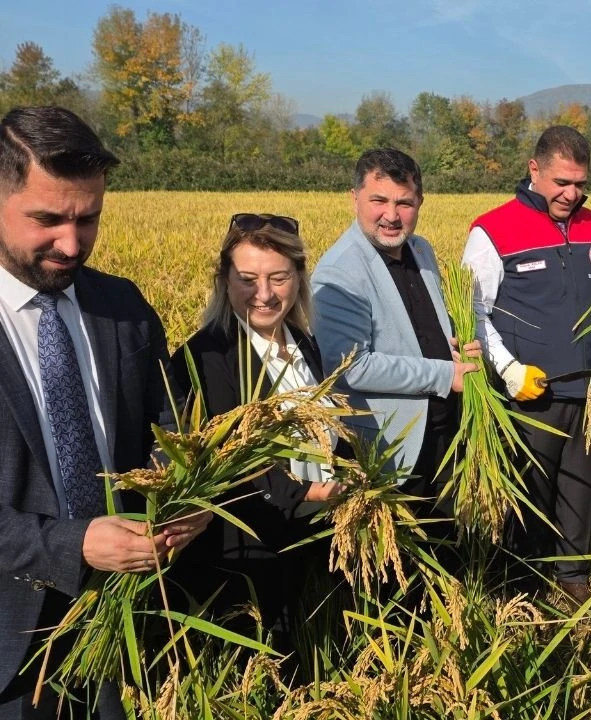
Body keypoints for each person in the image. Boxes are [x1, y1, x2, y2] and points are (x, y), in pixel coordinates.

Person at [0, 106, 209, 717]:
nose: (71, 243)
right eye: (48, 219)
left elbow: (172, 425)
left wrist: (181, 499)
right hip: (10, 650)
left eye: (88, 218)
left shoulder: (121, 306)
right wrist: (72, 544)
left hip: (115, 630)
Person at [462, 126, 591, 604]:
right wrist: (509, 371)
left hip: (588, 389)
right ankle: (520, 593)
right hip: (529, 394)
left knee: (579, 493)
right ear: (535, 170)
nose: (572, 194)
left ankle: (574, 587)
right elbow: (473, 312)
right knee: (528, 498)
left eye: (580, 184)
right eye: (562, 183)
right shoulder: (492, 229)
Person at [166, 213, 343, 641]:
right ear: (224, 280)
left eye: (278, 277)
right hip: (248, 561)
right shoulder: (204, 358)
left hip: (310, 544)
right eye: (247, 278)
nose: (263, 294)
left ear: (299, 278)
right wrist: (317, 494)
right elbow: (229, 468)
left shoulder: (305, 344)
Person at [312, 149, 479, 526]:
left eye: (404, 202)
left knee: (443, 541)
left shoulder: (421, 250)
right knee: (395, 563)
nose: (391, 215)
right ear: (354, 198)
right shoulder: (340, 273)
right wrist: (443, 375)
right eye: (379, 200)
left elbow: (420, 328)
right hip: (389, 445)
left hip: (440, 432)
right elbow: (349, 367)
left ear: (420, 202)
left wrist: (454, 344)